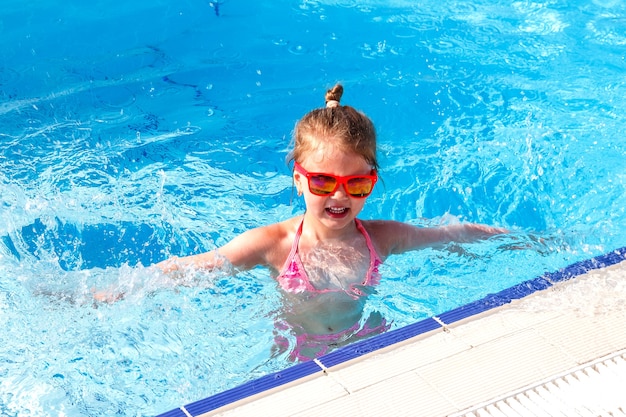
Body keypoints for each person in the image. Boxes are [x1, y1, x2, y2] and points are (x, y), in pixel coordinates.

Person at [101, 84, 507, 360]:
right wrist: (103, 293)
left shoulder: (381, 238)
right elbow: (193, 268)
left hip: (367, 337)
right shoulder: (275, 244)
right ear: (298, 179)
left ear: (373, 182)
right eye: (323, 181)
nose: (339, 196)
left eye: (357, 183)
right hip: (300, 351)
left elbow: (448, 236)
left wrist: (516, 239)